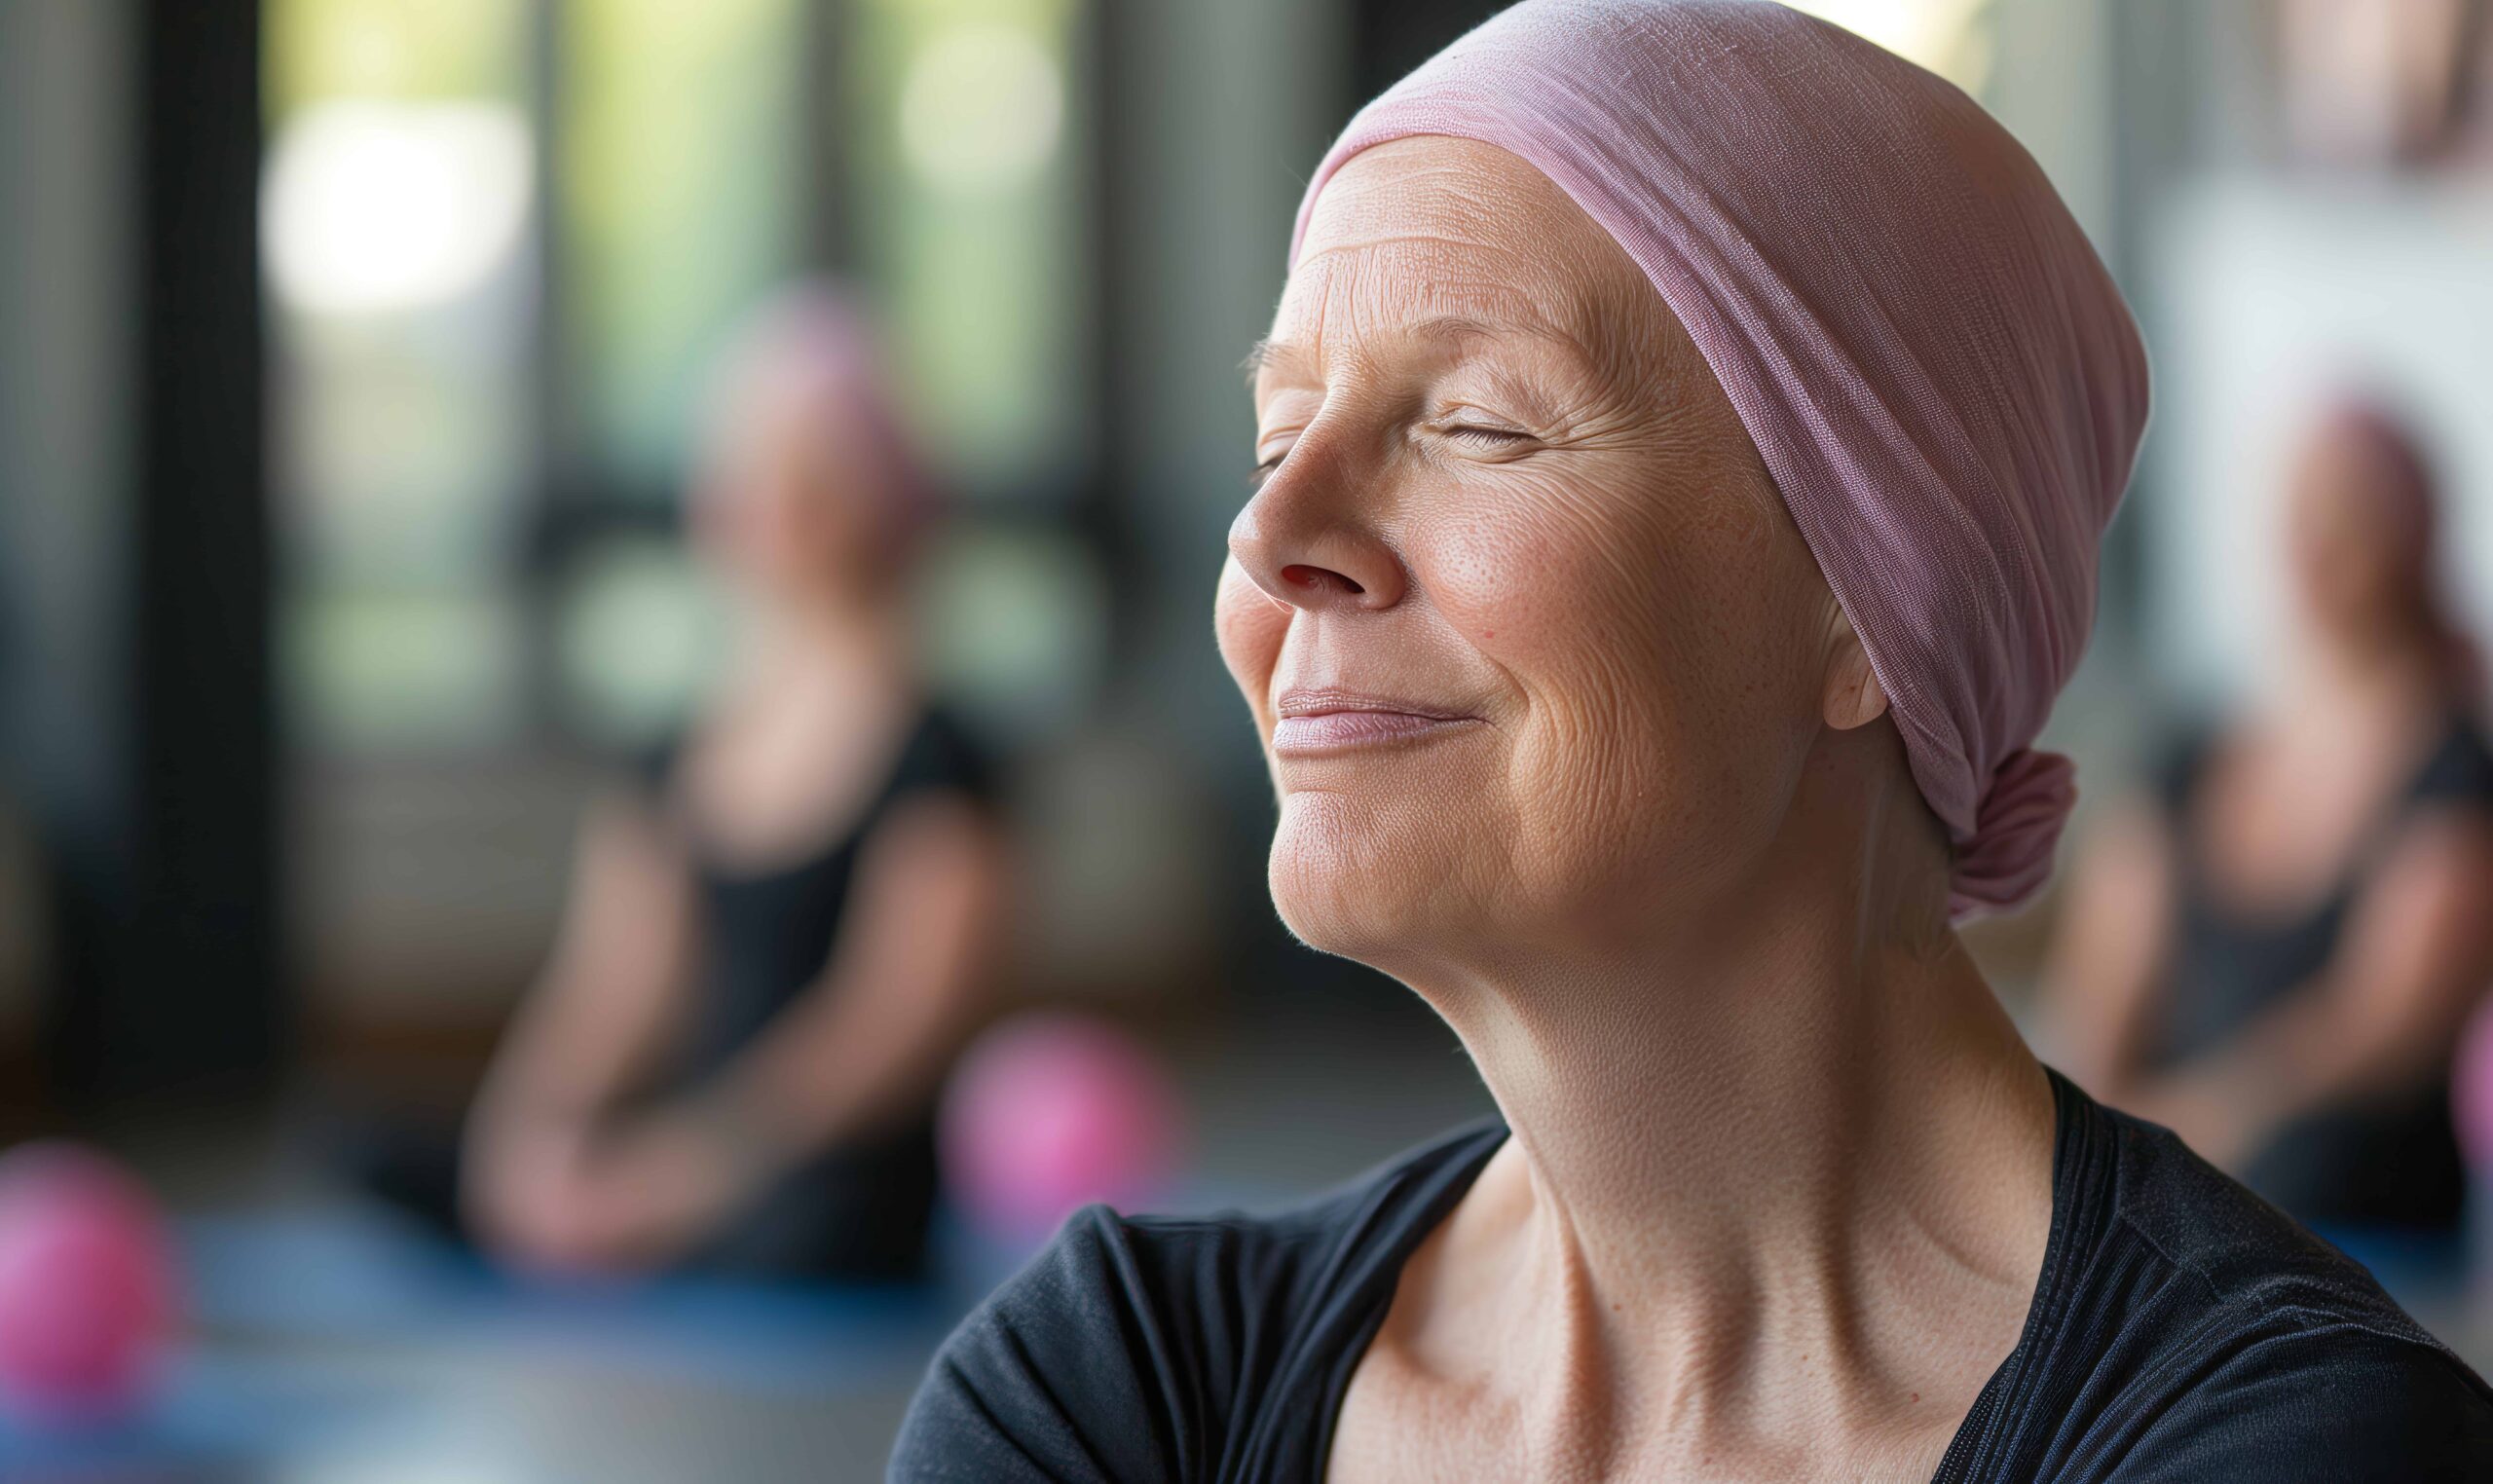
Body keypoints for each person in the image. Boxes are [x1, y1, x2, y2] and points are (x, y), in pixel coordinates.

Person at [890, 3, 2493, 1479]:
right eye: (1277, 430)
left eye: (1474, 424)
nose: (1275, 534)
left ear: (1875, 607)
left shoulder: (2297, 1444)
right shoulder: (1111, 1396)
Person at [454, 286, 1010, 1280]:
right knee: (387, 1161)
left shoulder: (940, 759)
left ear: (872, 494)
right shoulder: (669, 756)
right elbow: (612, 994)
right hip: (680, 1153)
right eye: (746, 469)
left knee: (812, 1240)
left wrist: (671, 1182)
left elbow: (887, 1030)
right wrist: (525, 1146)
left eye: (802, 472)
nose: (765, 502)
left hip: (812, 1179)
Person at [2043, 403, 2493, 1252]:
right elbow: (2095, 1010)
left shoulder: (2455, 780)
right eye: (2301, 508)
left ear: (2415, 533)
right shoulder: (2184, 770)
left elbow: (2384, 1025)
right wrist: (2089, 1161)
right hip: (2164, 1225)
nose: (2316, 539)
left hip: (2358, 1242)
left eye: (2348, 509)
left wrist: (2187, 1126)